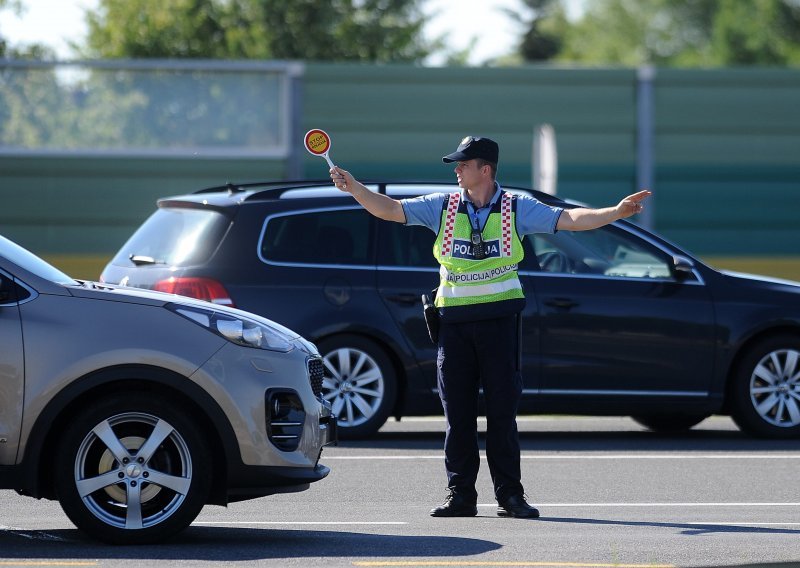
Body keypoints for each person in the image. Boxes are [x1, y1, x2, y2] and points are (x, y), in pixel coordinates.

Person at [330, 136, 651, 519]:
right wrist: (354, 188)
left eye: (463, 164)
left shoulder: (518, 207)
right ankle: (460, 496)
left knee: (501, 413)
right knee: (458, 416)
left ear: (485, 169)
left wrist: (613, 212)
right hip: (454, 326)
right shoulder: (443, 206)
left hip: (499, 323)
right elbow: (389, 210)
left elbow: (569, 219)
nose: (456, 169)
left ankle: (510, 497)